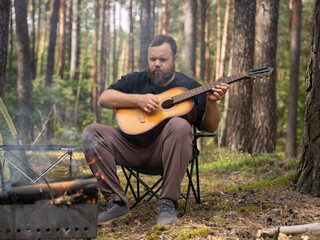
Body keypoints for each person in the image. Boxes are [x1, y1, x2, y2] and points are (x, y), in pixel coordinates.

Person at [81, 34, 229, 226]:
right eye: (153, 59)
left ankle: (167, 203)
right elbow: (104, 98)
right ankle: (116, 202)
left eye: (163, 59)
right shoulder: (134, 80)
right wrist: (137, 100)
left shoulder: (190, 87)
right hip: (129, 148)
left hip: (165, 152)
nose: (157, 64)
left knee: (180, 124)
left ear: (174, 59)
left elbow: (210, 127)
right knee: (91, 132)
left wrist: (212, 102)